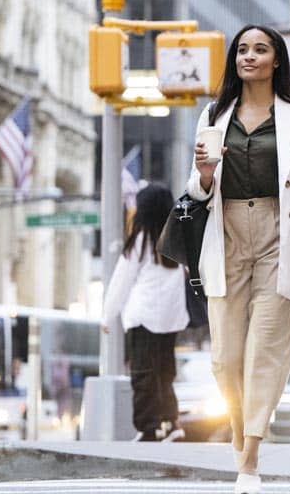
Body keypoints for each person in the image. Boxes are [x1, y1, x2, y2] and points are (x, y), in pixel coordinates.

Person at [187, 24, 290, 494]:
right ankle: (241, 430)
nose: (249, 56)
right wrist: (204, 174)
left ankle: (250, 458)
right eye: (242, 50)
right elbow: (195, 190)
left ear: (276, 60)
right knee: (225, 359)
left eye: (259, 50)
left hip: (278, 239)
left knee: (263, 352)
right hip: (225, 237)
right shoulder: (212, 115)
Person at [101, 183, 189, 442]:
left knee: (142, 373)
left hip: (144, 317)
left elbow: (122, 280)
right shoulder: (178, 240)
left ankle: (148, 428)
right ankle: (171, 423)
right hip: (171, 319)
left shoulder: (142, 240)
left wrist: (108, 315)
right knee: (165, 373)